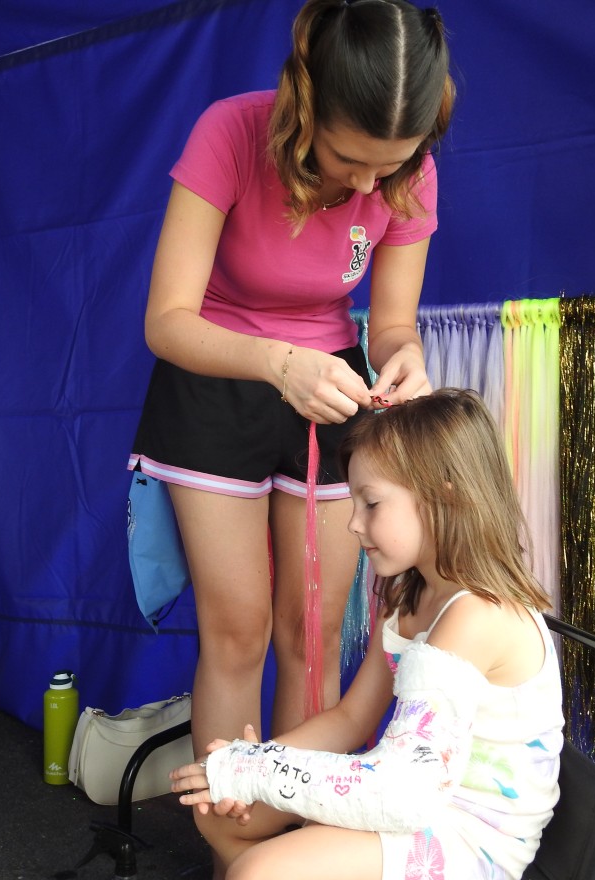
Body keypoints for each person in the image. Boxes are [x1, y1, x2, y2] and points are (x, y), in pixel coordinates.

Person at [130, 0, 454, 768]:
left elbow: (392, 324)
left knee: (313, 632)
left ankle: (297, 823)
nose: (370, 182)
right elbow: (167, 321)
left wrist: (405, 355)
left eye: (390, 164)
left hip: (333, 385)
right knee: (238, 632)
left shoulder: (410, 173)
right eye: (349, 158)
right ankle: (228, 834)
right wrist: (279, 364)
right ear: (308, 108)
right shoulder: (229, 133)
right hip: (213, 382)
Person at [170, 389, 565, 880]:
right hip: (414, 796)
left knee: (256, 877)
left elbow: (403, 792)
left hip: (469, 833)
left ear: (444, 496)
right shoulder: (409, 595)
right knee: (218, 815)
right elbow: (351, 719)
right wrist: (257, 759)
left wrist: (258, 771)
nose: (353, 522)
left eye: (372, 503)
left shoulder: (476, 615)